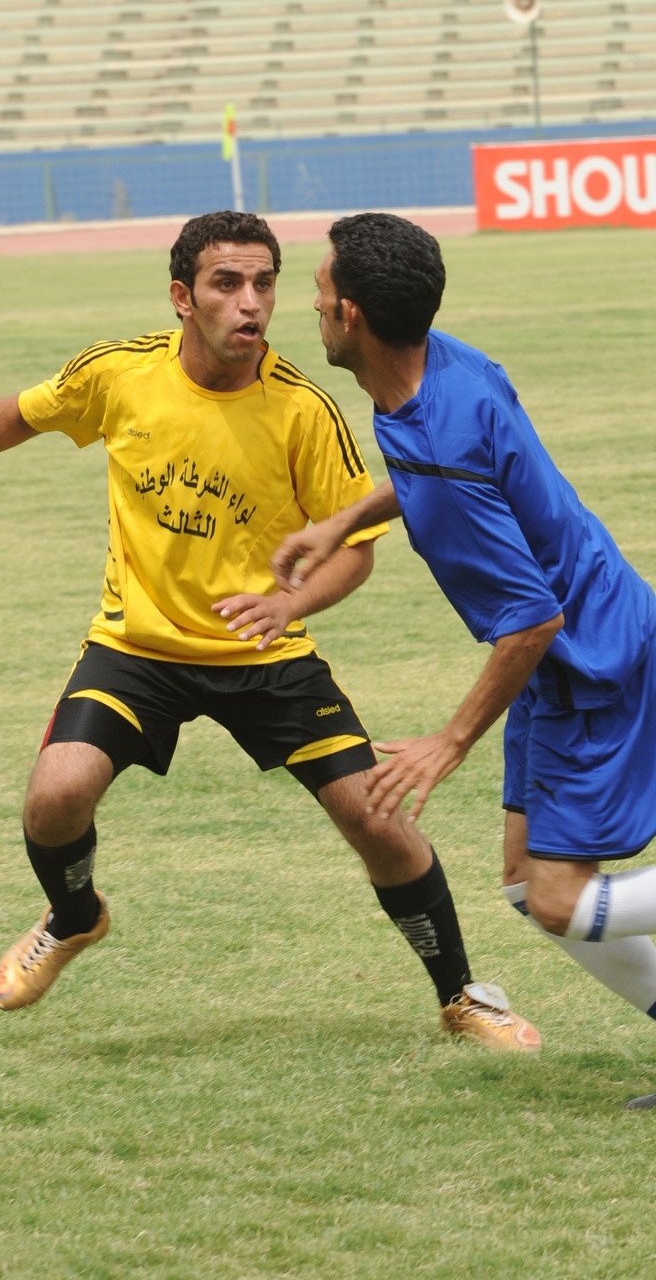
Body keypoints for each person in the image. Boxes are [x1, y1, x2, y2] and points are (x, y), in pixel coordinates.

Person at [0, 210, 538, 1051]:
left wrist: (289, 606)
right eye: (226, 284)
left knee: (377, 819)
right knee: (55, 793)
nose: (250, 304)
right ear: (183, 296)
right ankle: (74, 916)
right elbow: (26, 415)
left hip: (266, 653)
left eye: (264, 284)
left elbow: (354, 552)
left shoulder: (302, 409)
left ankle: (462, 995)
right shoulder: (120, 375)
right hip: (137, 648)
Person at [271, 210, 656, 1106]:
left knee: (559, 899)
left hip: (590, 662)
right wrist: (340, 521)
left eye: (320, 293)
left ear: (354, 317)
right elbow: (448, 470)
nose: (313, 306)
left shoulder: (435, 432)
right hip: (584, 651)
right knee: (528, 887)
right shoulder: (445, 364)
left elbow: (530, 621)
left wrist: (449, 741)